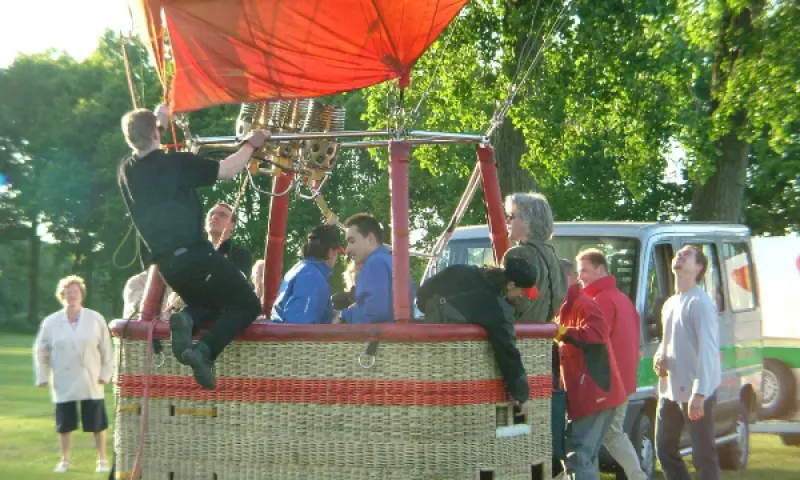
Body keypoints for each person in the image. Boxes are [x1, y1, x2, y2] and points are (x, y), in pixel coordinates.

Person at [118, 104, 269, 389]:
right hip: (194, 254)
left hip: (167, 266)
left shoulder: (127, 171)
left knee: (210, 304)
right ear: (155, 132)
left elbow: (147, 139)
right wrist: (251, 144)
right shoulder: (175, 164)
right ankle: (205, 350)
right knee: (247, 304)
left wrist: (159, 119)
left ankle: (188, 318)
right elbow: (226, 170)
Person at [416, 257, 537, 404]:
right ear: (511, 285)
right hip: (455, 370)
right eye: (522, 291)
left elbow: (422, 295)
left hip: (424, 362)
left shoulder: (462, 269)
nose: (521, 296)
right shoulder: (496, 308)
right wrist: (521, 395)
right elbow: (508, 351)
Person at [577, 248, 647, 480]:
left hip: (607, 383)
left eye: (584, 271)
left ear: (600, 269)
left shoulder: (599, 301)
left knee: (594, 436)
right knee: (609, 434)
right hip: (623, 381)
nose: (580, 277)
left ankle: (637, 476)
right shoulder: (622, 299)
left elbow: (592, 340)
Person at [654, 245, 721, 480]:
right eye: (679, 253)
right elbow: (668, 341)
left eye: (687, 254)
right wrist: (659, 358)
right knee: (664, 450)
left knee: (703, 455)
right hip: (670, 391)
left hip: (696, 392)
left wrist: (700, 393)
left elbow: (708, 350)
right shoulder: (670, 303)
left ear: (698, 267)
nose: (679, 255)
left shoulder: (701, 303)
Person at [33, 275, 113, 474]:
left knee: (96, 422)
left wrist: (105, 373)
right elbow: (41, 350)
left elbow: (107, 349)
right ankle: (65, 461)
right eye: (68, 292)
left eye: (75, 292)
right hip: (63, 377)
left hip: (91, 377)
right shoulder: (51, 322)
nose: (72, 295)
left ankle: (102, 460)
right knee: (65, 424)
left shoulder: (95, 318)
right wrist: (42, 375)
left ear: (81, 294)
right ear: (62, 296)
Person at [555, 281, 627, 479]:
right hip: (592, 394)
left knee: (579, 452)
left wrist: (562, 332)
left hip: (595, 392)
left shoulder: (584, 304)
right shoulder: (566, 307)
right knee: (583, 454)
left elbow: (597, 333)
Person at [503, 192, 567, 323]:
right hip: (542, 334)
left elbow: (508, 300)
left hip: (517, 334)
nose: (507, 221)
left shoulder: (518, 254)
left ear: (527, 221)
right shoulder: (552, 256)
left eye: (511, 216)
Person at [337, 213, 404, 324]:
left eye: (352, 241)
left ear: (370, 239)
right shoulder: (392, 262)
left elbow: (375, 312)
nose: (347, 249)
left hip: (382, 340)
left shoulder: (374, 264)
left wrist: (343, 315)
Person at [271, 225, 341, 324]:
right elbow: (300, 325)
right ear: (331, 252)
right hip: (292, 338)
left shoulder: (301, 268)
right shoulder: (313, 278)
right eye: (337, 253)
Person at [206, 202, 253, 276]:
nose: (214, 217)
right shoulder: (193, 250)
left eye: (222, 215)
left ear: (232, 226)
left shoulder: (241, 255)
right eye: (211, 214)